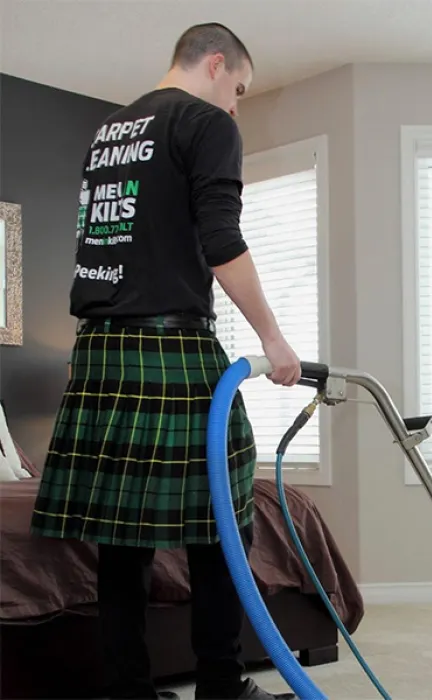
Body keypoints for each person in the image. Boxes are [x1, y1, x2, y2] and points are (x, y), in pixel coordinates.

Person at [30, 22, 301, 700]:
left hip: (98, 350)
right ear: (215, 65)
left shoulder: (110, 131)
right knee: (224, 514)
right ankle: (218, 683)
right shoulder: (205, 122)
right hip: (170, 346)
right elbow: (221, 239)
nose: (235, 104)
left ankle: (128, 690)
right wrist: (273, 338)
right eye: (238, 88)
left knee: (122, 540)